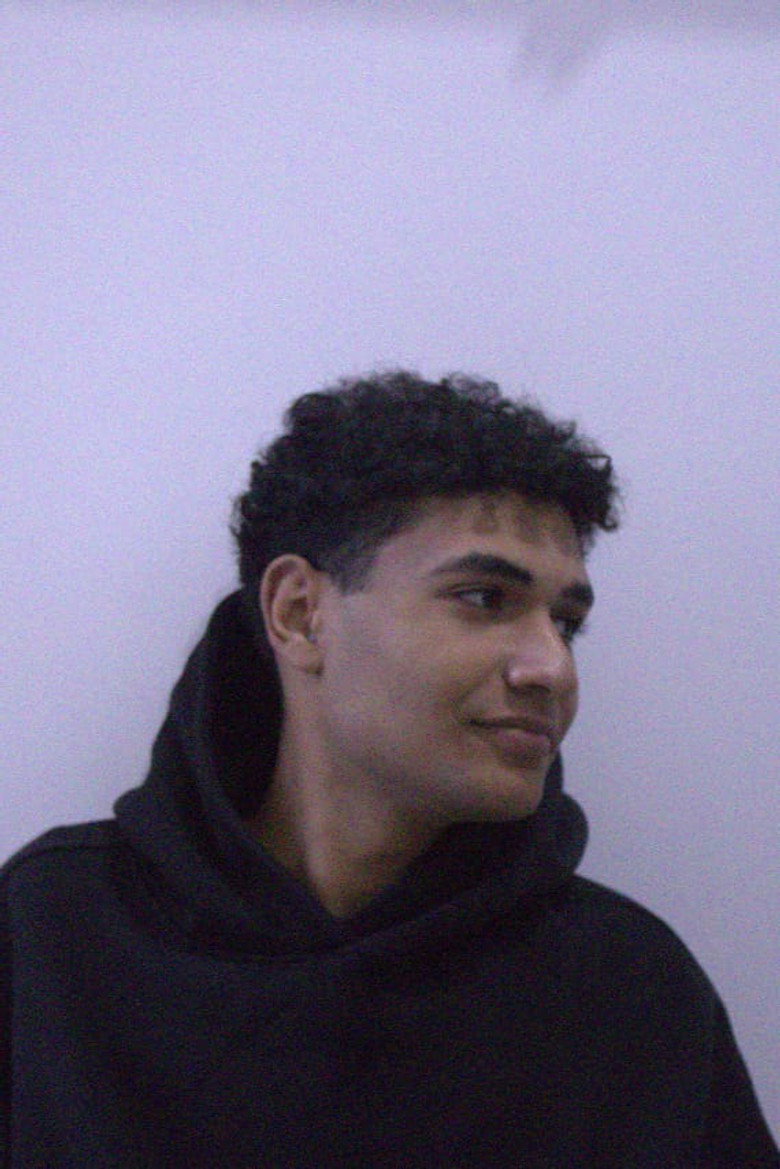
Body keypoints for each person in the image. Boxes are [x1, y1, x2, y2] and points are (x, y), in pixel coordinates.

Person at [1, 371, 777, 1167]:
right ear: (300, 614)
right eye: (484, 598)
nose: (551, 667)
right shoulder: (50, 941)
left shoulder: (629, 995)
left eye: (567, 622)